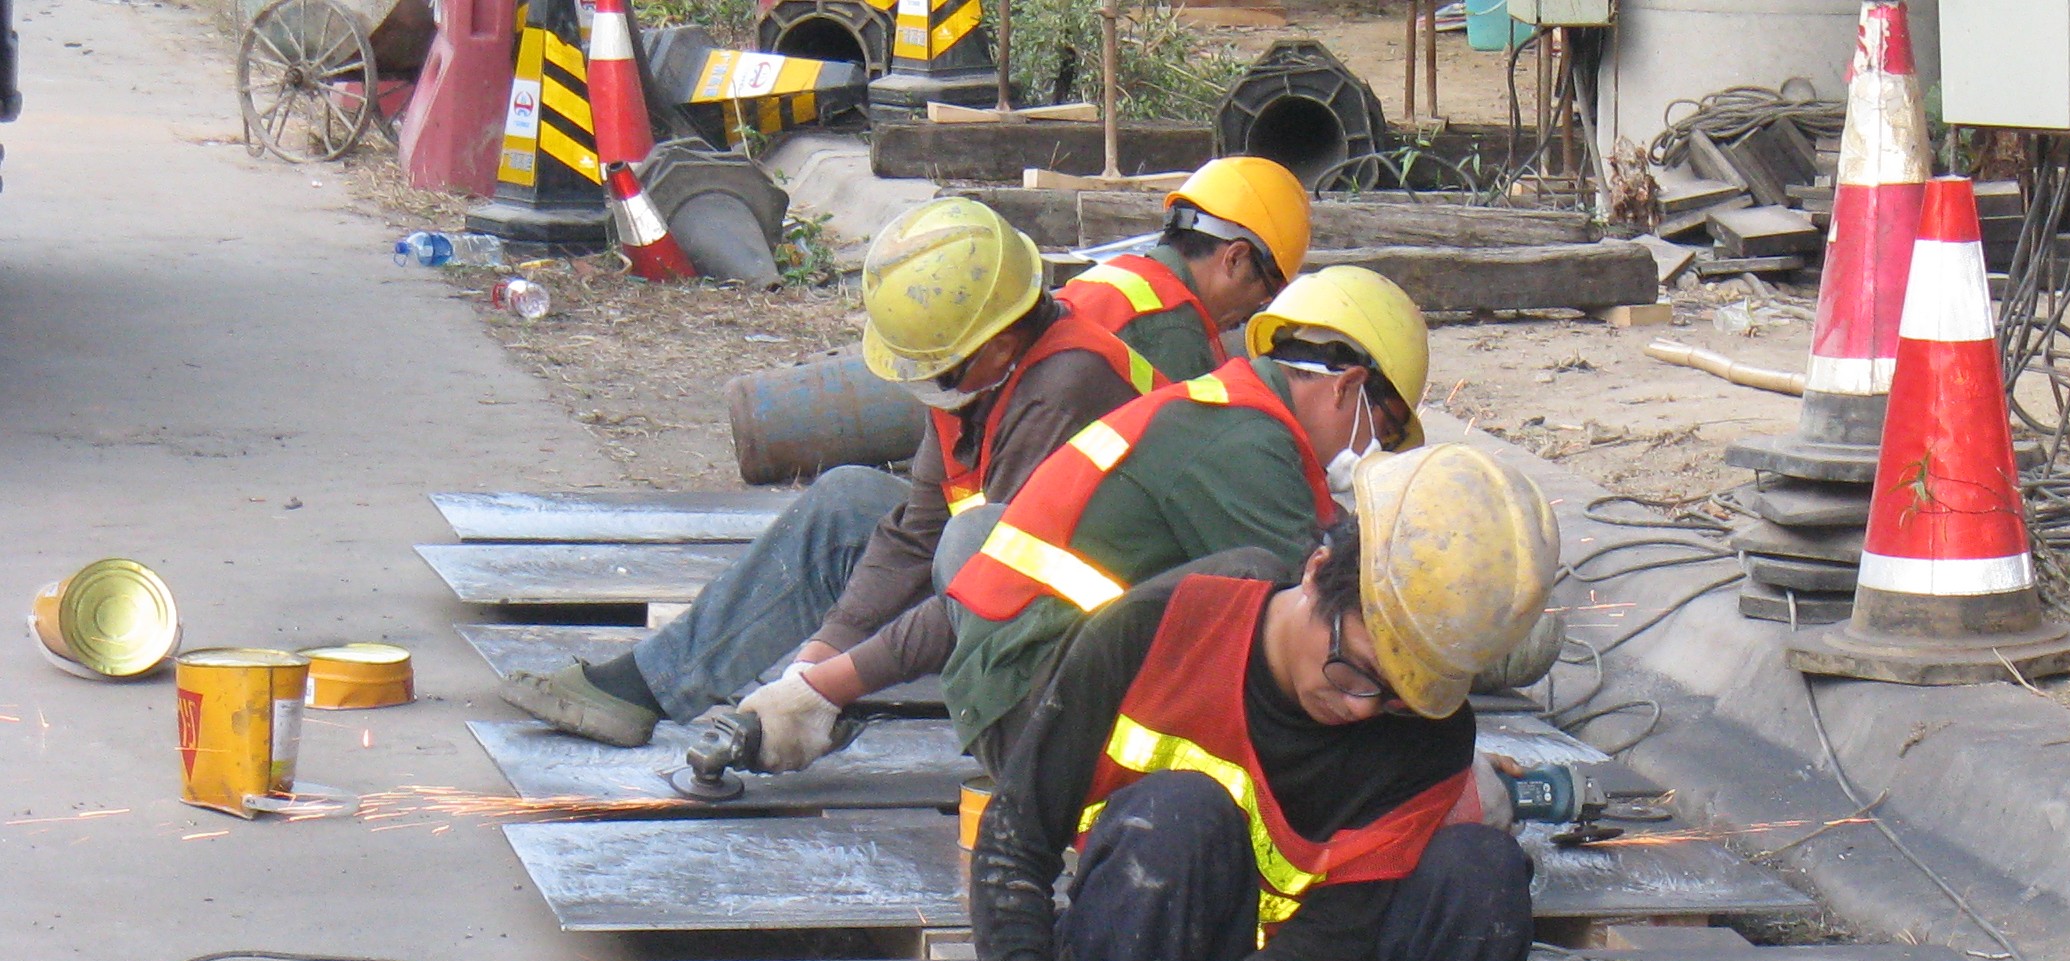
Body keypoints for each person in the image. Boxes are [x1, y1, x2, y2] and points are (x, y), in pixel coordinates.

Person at [487, 167, 1304, 767]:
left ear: (997, 340)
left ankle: (1010, 741)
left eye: (938, 371)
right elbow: (916, 524)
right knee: (849, 501)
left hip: (1097, 630)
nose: (929, 390)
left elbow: (993, 584)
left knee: (969, 544)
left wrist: (832, 688)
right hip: (999, 570)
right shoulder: (983, 369)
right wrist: (821, 653)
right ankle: (649, 687)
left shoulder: (1069, 386)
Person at [976, 444, 1561, 961]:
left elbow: (1337, 933)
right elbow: (1013, 837)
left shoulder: (1429, 738)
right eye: (1354, 669)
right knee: (1178, 814)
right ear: (1318, 571)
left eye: (1395, 697)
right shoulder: (1160, 629)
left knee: (1484, 873)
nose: (1360, 708)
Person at [939, 263, 1429, 757]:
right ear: (1348, 386)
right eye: (1384, 432)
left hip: (1036, 686)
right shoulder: (1243, 443)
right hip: (1040, 715)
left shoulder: (1239, 417)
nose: (1377, 451)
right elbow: (1335, 620)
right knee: (1273, 598)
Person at [1056, 155, 1309, 394]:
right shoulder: (1173, 326)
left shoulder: (1115, 275)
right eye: (1268, 289)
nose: (1253, 310)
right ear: (1234, 259)